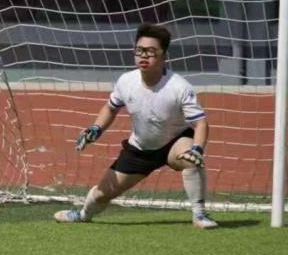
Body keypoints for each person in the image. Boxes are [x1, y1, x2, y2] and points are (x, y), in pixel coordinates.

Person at [56, 22, 218, 229]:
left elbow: (201, 123)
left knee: (190, 158)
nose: (144, 56)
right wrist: (96, 128)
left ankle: (200, 215)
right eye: (139, 50)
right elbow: (110, 108)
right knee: (102, 194)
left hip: (173, 143)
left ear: (164, 55)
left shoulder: (179, 87)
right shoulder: (126, 81)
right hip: (139, 149)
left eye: (151, 51)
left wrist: (197, 149)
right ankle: (82, 214)